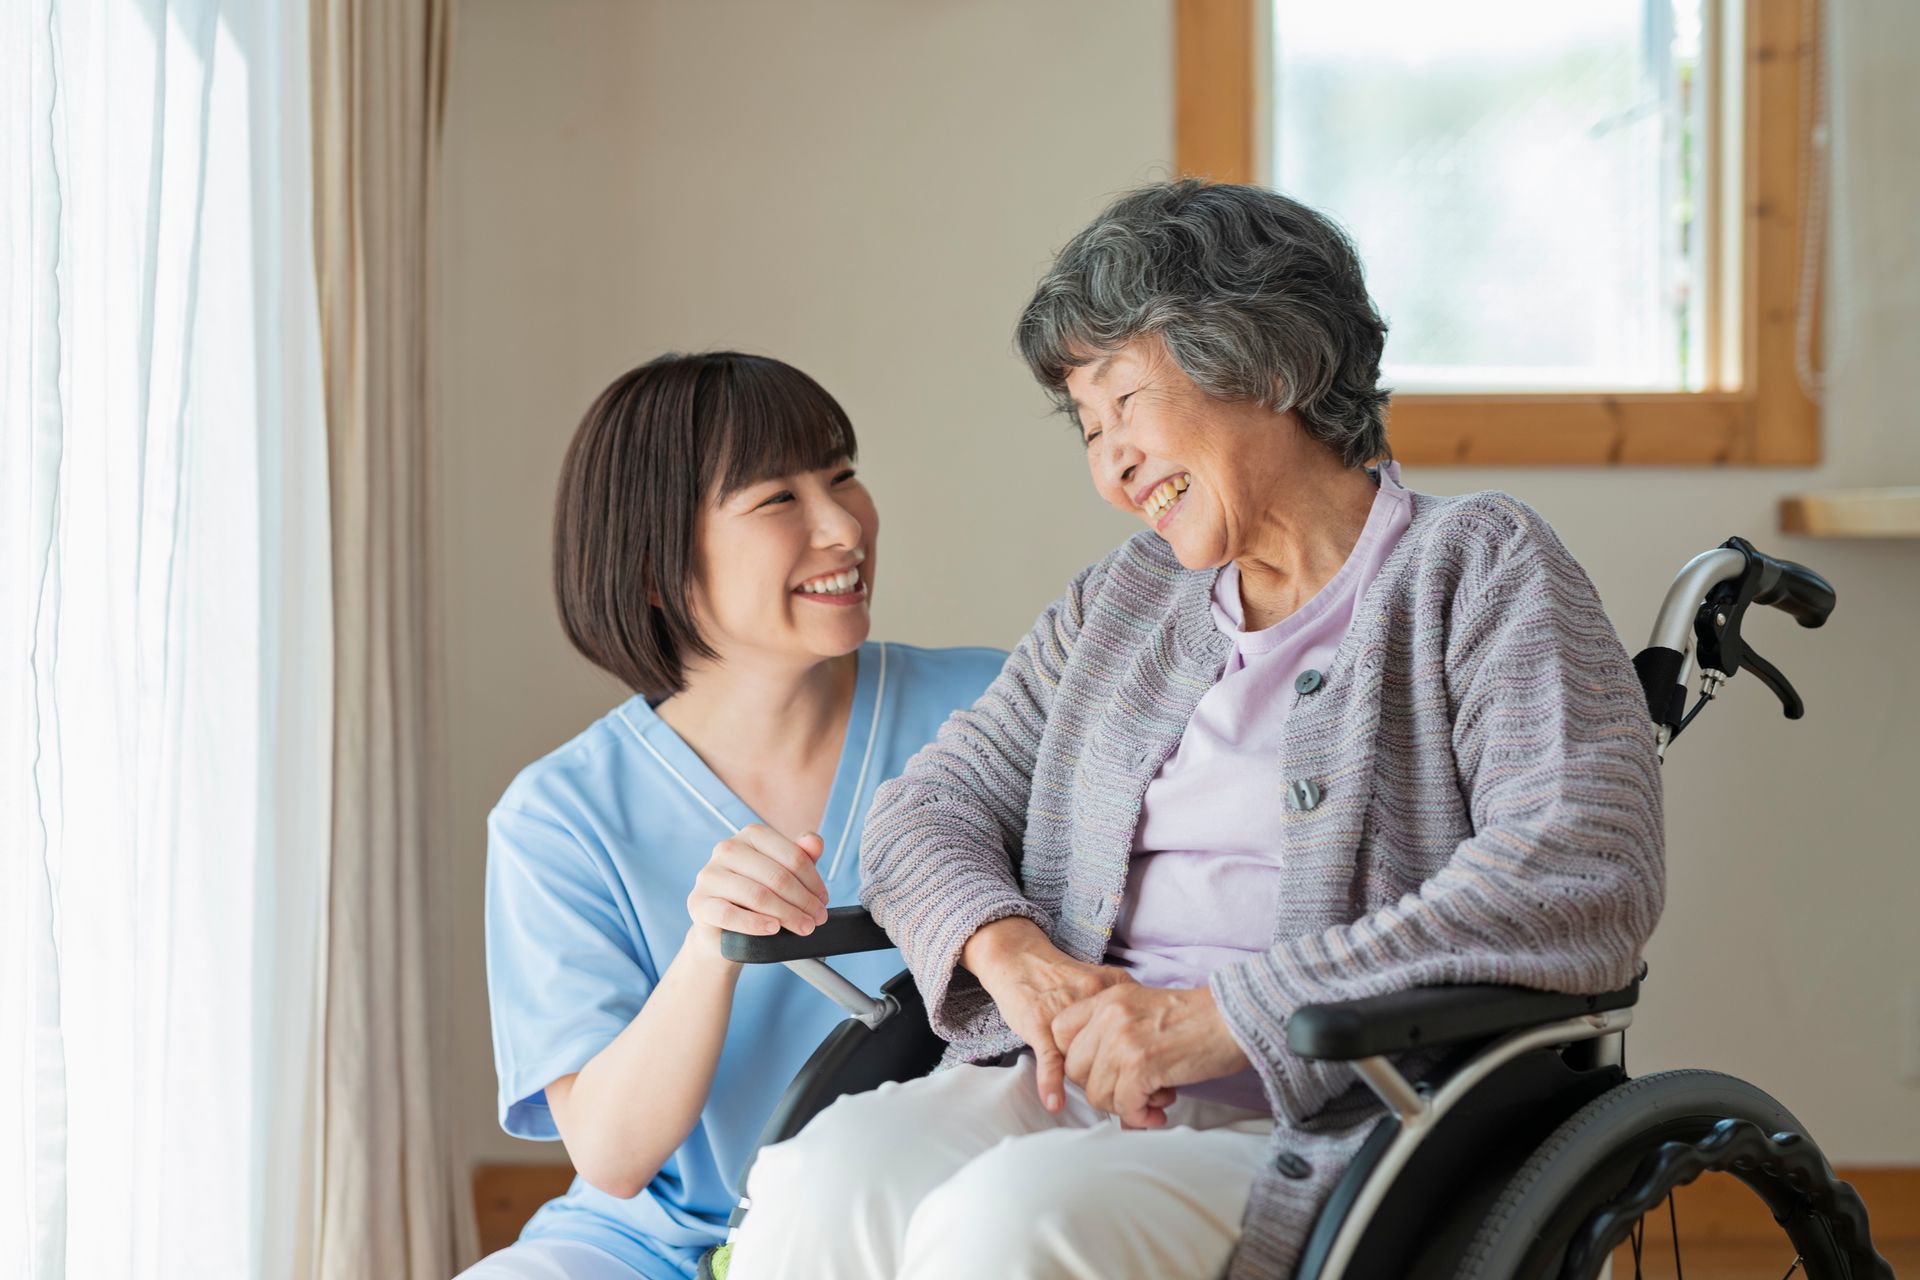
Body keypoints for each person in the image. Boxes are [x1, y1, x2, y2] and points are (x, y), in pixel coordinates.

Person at [722, 182, 1666, 1280]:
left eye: (1124, 401)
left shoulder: (1478, 567)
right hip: (1066, 1081)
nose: (1108, 460)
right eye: (1087, 425)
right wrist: (1012, 954)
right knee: (823, 1178)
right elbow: (926, 808)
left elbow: (1576, 867)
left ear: (1265, 363)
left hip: (1341, 1116)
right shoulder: (1125, 602)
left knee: (1009, 1225)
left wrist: (1220, 1015)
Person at [464, 352, 1005, 1280]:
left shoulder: (994, 706)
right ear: (653, 567)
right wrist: (708, 945)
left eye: (842, 476)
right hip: (651, 1247)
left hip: (915, 1210)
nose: (844, 525)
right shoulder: (558, 817)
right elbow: (614, 1158)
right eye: (778, 500)